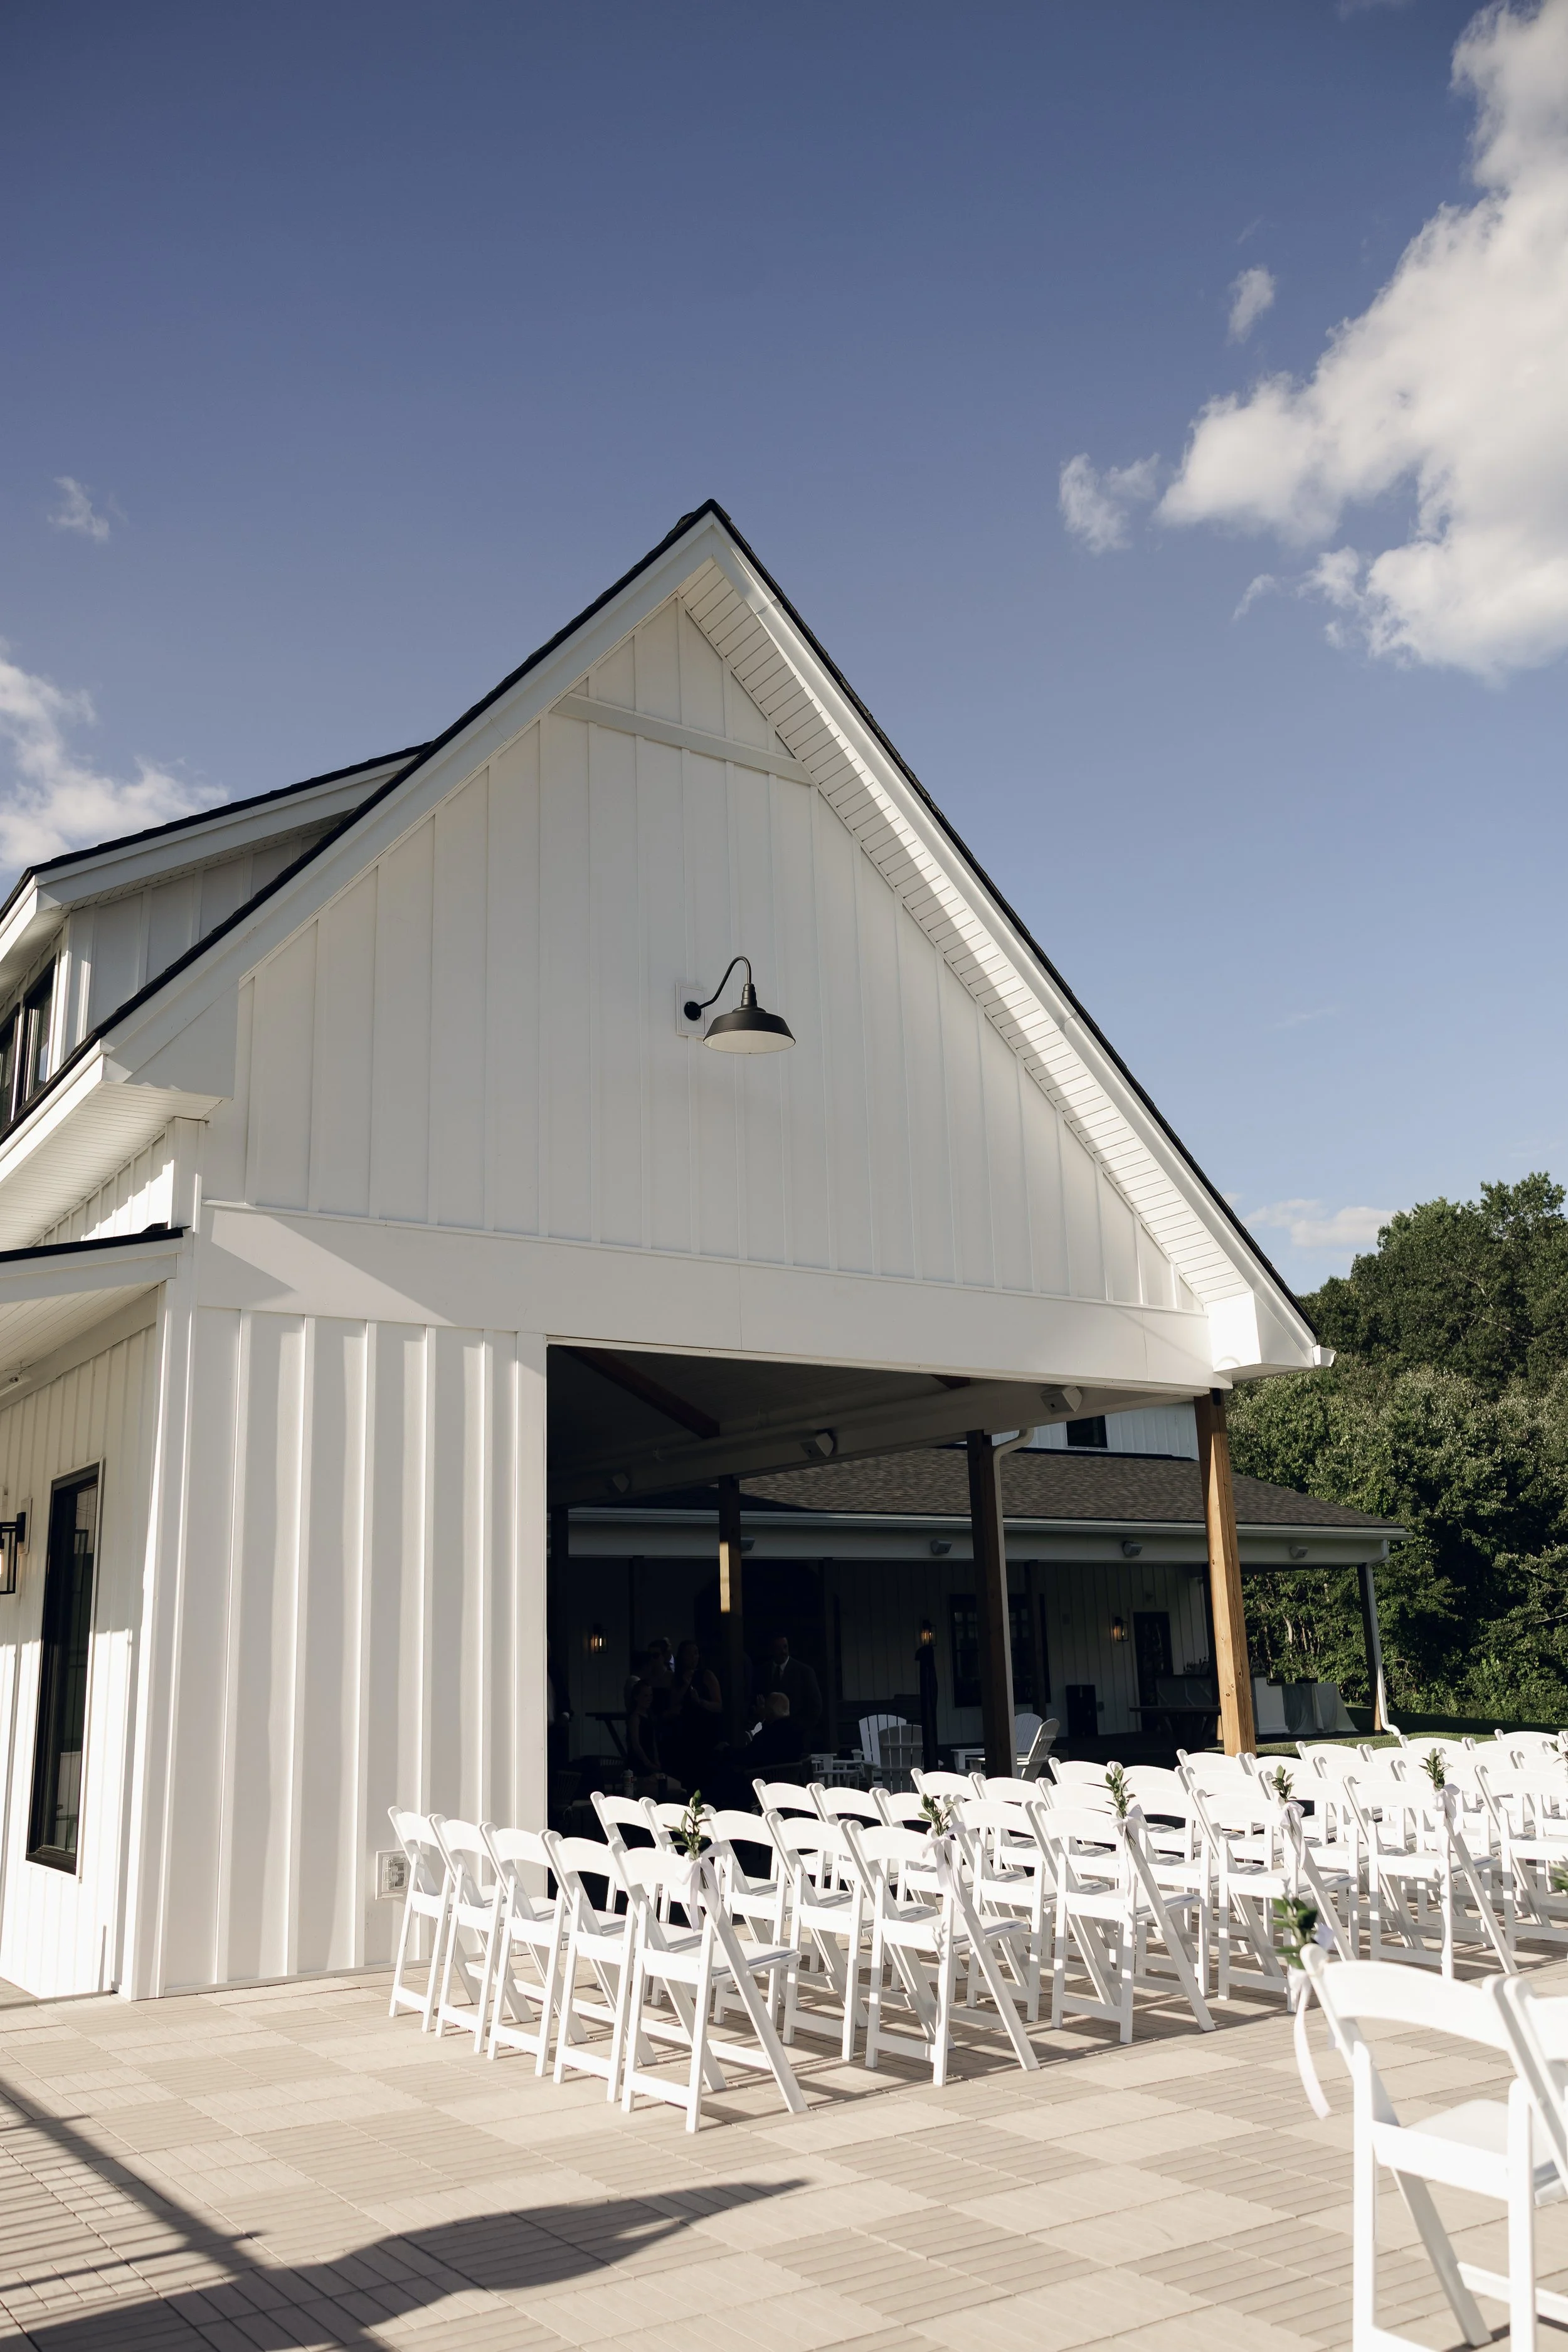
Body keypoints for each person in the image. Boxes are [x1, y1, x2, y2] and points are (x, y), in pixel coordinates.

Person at [666, 1638, 723, 1791]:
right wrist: (685, 1684)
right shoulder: (677, 1679)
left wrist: (701, 1702)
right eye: (690, 1654)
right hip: (684, 1733)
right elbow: (673, 1703)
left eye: (696, 1654)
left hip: (704, 1732)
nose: (694, 1658)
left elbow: (719, 1705)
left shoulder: (706, 1676)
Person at [758, 1633, 822, 1747]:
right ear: (771, 1650)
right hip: (769, 1737)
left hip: (797, 1737)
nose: (783, 1652)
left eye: (785, 1647)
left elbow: (815, 1707)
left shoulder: (804, 1672)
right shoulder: (763, 1672)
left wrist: (799, 1729)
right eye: (778, 1648)